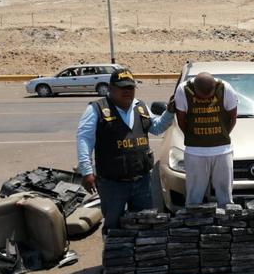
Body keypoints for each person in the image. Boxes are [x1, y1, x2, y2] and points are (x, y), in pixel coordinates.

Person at [76, 68, 175, 235]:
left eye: (130, 87)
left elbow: (157, 128)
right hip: (112, 183)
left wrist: (170, 112)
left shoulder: (140, 107)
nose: (127, 91)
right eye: (122, 88)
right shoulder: (97, 109)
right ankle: (114, 256)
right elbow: (84, 139)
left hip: (142, 181)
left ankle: (138, 258)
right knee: (113, 225)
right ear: (111, 88)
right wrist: (86, 171)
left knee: (144, 223)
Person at [174, 72, 238, 207]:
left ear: (214, 88)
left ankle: (227, 224)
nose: (204, 100)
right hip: (195, 152)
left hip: (222, 151)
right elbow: (181, 120)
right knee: (194, 196)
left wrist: (221, 135)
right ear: (195, 89)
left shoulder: (225, 88)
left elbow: (233, 117)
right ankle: (192, 224)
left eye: (208, 97)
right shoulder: (183, 90)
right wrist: (195, 138)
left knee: (225, 197)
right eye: (200, 97)